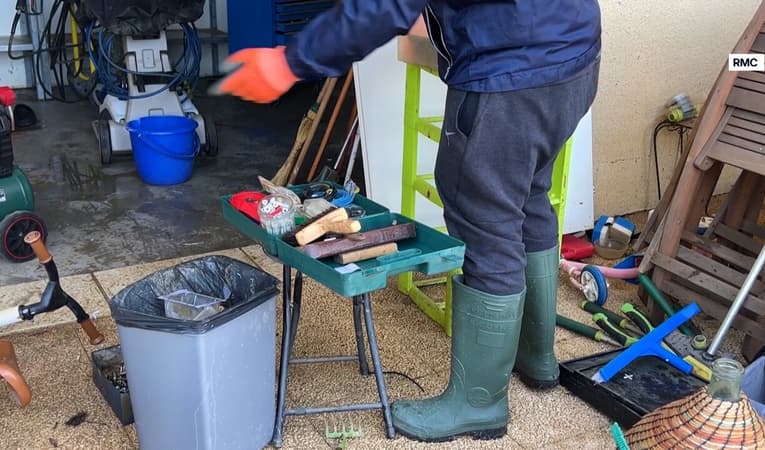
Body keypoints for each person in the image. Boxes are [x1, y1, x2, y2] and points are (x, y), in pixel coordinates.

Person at [215, 1, 601, 443]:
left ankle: (479, 403)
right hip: (573, 55)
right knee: (528, 196)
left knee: (484, 216)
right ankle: (536, 355)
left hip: (511, 71)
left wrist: (289, 63)